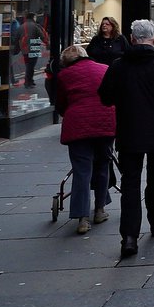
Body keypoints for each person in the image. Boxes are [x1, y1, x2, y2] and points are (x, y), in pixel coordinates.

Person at [98, 20, 154, 258]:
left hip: (128, 131)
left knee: (130, 183)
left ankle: (129, 236)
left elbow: (105, 97)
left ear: (133, 39)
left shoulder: (118, 66)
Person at [54, 45, 115, 235]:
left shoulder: (64, 76)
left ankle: (82, 218)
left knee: (82, 170)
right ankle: (99, 210)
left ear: (66, 63)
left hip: (78, 125)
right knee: (103, 165)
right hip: (105, 123)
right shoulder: (105, 69)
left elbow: (61, 104)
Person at [18, 12, 48, 87]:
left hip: (24, 49)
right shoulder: (35, 26)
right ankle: (28, 82)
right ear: (33, 18)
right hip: (33, 49)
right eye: (35, 17)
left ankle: (30, 80)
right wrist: (48, 44)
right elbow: (42, 36)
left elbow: (16, 38)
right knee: (30, 66)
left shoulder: (21, 26)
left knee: (29, 65)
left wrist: (16, 49)